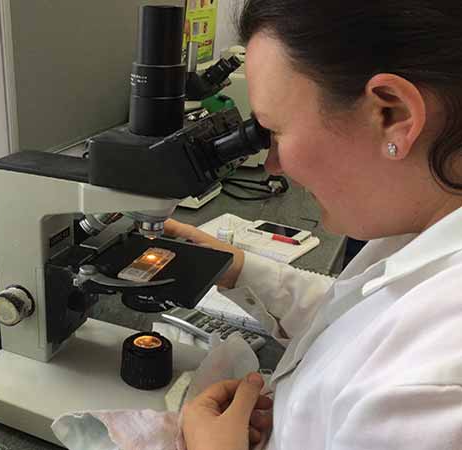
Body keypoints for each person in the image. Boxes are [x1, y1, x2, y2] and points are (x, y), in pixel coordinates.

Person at [174, 1, 462, 449]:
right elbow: (358, 319)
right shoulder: (422, 222)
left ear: (393, 115)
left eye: (274, 130)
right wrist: (236, 268)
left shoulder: (426, 395)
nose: (271, 165)